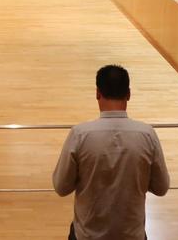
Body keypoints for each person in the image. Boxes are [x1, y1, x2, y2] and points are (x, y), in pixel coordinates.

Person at [53, 64, 169, 240]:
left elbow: (61, 187)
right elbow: (161, 188)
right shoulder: (147, 134)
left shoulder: (80, 134)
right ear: (128, 94)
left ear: (97, 93)